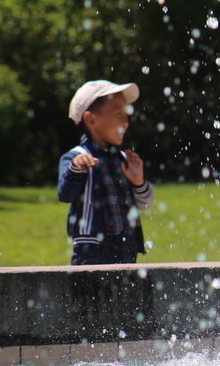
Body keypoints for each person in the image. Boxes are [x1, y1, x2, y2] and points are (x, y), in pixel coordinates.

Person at [57, 80, 155, 265]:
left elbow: (146, 204)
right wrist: (76, 169)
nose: (125, 121)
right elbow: (65, 194)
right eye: (118, 113)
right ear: (91, 120)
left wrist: (138, 181)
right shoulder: (77, 157)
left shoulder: (122, 159)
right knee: (90, 294)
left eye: (126, 114)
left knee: (127, 295)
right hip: (92, 251)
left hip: (127, 247)